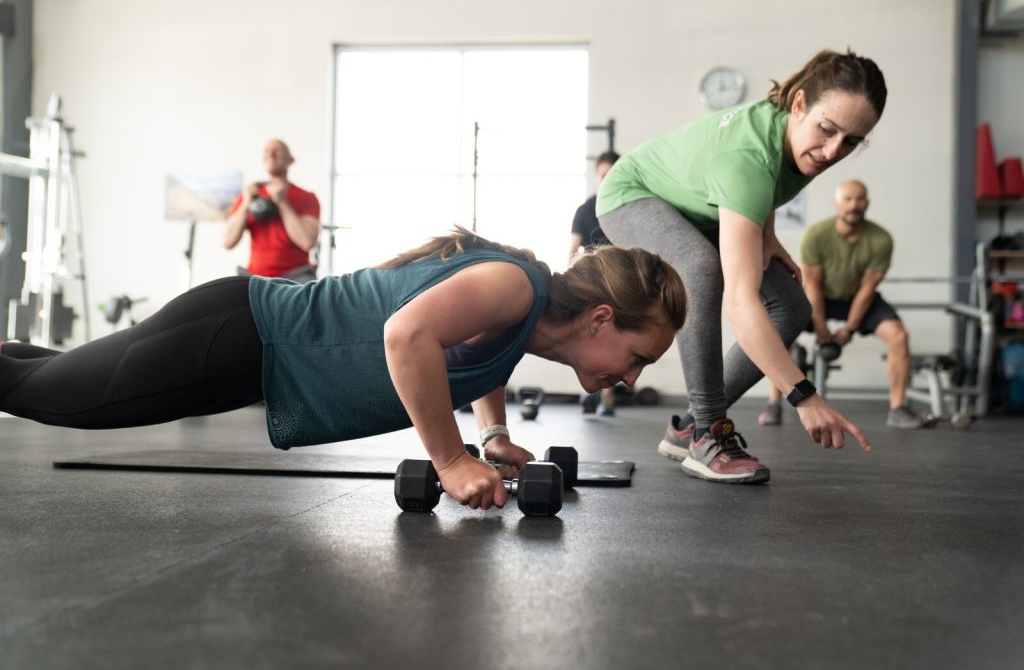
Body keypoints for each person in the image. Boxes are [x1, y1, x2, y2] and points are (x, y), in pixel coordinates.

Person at [0, 227, 686, 511]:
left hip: (251, 348)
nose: (630, 379)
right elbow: (407, 333)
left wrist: (495, 434)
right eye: (636, 357)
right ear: (600, 319)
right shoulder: (517, 284)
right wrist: (449, 460)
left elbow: (471, 356)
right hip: (242, 331)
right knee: (56, 398)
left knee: (51, 375)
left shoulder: (522, 310)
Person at [596, 48, 886, 484]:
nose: (831, 151)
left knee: (792, 305)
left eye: (851, 142)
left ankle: (688, 430)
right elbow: (739, 302)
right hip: (633, 195)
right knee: (701, 269)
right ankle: (708, 431)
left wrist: (767, 235)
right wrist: (803, 395)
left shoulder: (789, 135)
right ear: (800, 103)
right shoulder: (746, 161)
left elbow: (766, 175)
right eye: (827, 130)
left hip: (703, 209)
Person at [758, 180, 923, 429]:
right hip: (819, 297)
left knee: (898, 337)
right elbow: (812, 285)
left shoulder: (880, 239)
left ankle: (898, 409)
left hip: (857, 298)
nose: (853, 205)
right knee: (779, 331)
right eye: (848, 199)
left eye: (859, 199)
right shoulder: (817, 234)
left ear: (867, 203)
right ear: (837, 203)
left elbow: (867, 290)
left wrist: (850, 329)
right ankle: (774, 403)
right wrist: (821, 328)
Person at [224, 138, 321, 283]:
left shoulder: (307, 197)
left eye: (278, 151)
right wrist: (245, 205)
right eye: (267, 151)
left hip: (296, 277)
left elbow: (307, 241)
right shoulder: (249, 196)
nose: (271, 155)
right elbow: (227, 242)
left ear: (291, 160)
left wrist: (282, 202)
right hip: (254, 276)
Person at [569, 150, 621, 416]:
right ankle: (588, 387)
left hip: (621, 285)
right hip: (591, 283)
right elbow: (572, 251)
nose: (607, 179)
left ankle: (608, 396)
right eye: (603, 175)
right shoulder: (585, 210)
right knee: (586, 335)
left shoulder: (626, 210)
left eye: (612, 174)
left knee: (614, 337)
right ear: (597, 176)